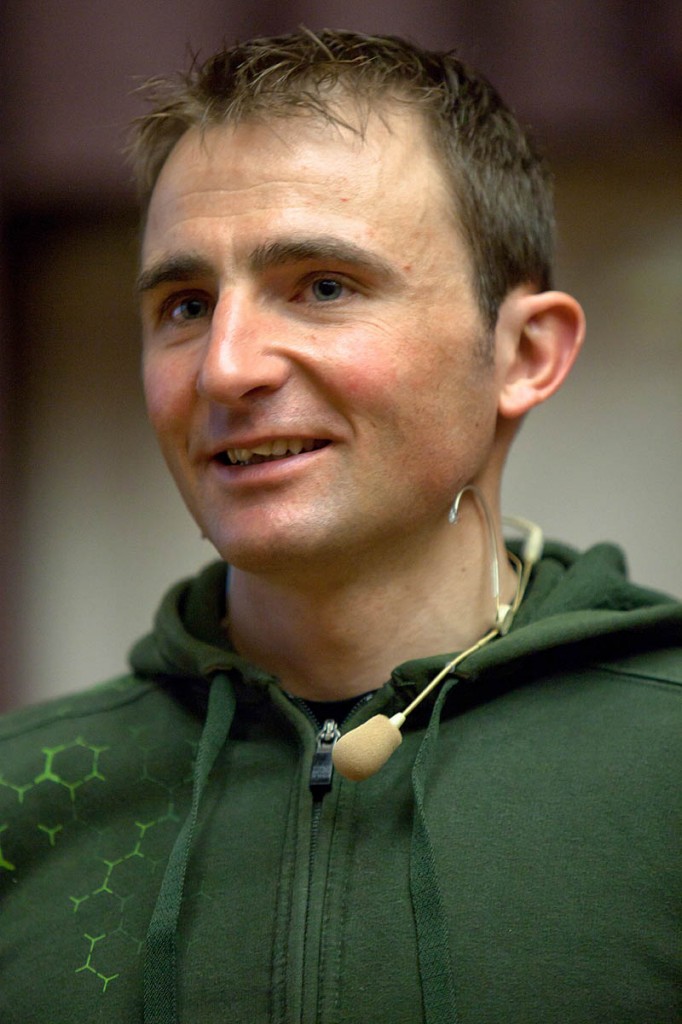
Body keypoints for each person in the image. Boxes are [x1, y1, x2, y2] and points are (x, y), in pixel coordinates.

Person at [0, 28, 679, 1024]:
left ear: (525, 354)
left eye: (323, 287)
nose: (225, 368)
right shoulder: (23, 795)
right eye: (185, 305)